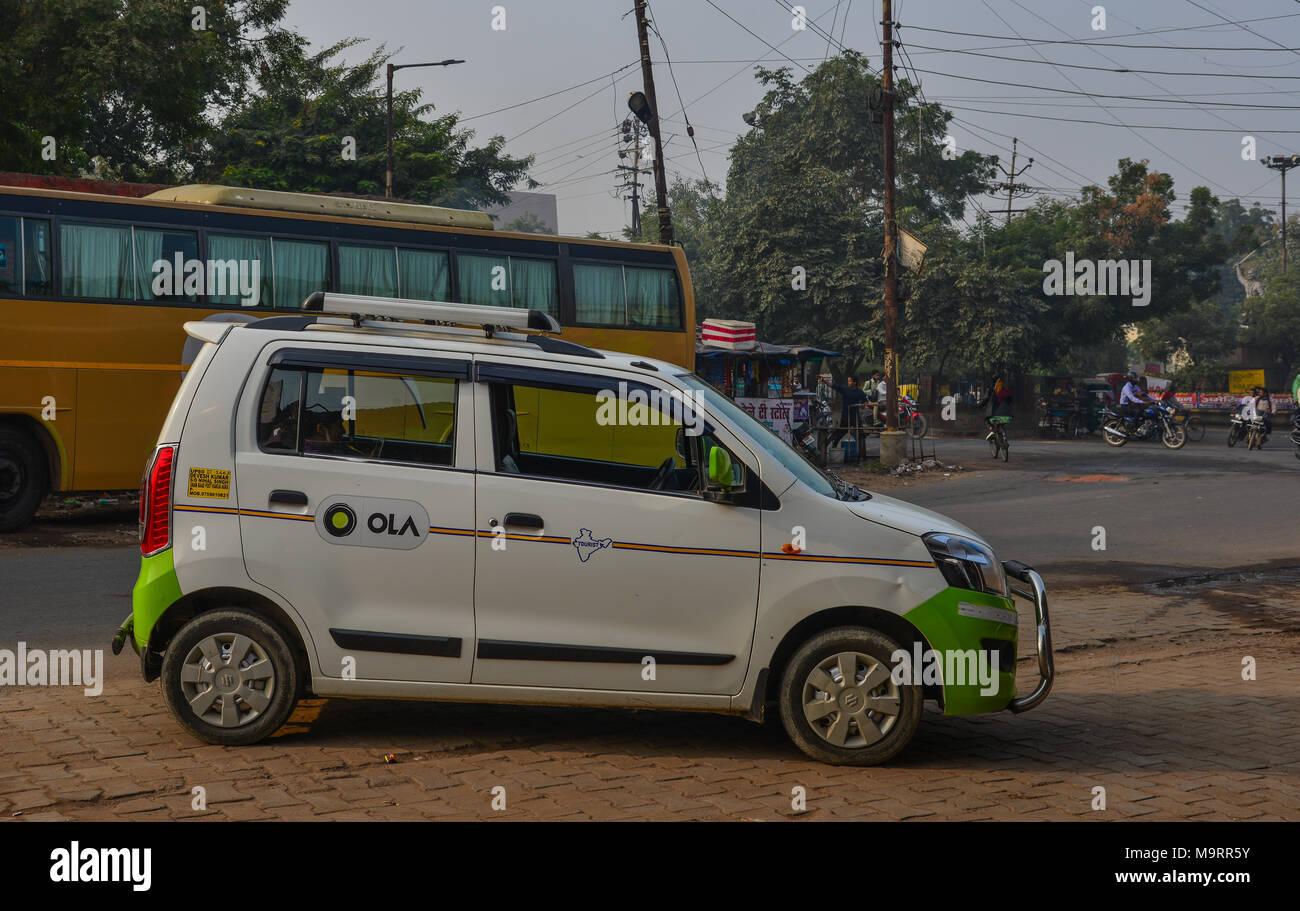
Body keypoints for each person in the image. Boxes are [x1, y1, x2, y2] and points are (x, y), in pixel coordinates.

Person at [829, 374, 867, 454]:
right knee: (841, 432)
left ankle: (862, 454)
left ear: (855, 382)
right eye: (848, 381)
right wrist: (823, 380)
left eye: (850, 381)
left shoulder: (859, 392)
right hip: (845, 416)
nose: (848, 382)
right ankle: (834, 444)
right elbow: (833, 386)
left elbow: (864, 401)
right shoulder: (845, 389)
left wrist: (863, 405)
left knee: (860, 434)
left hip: (855, 416)